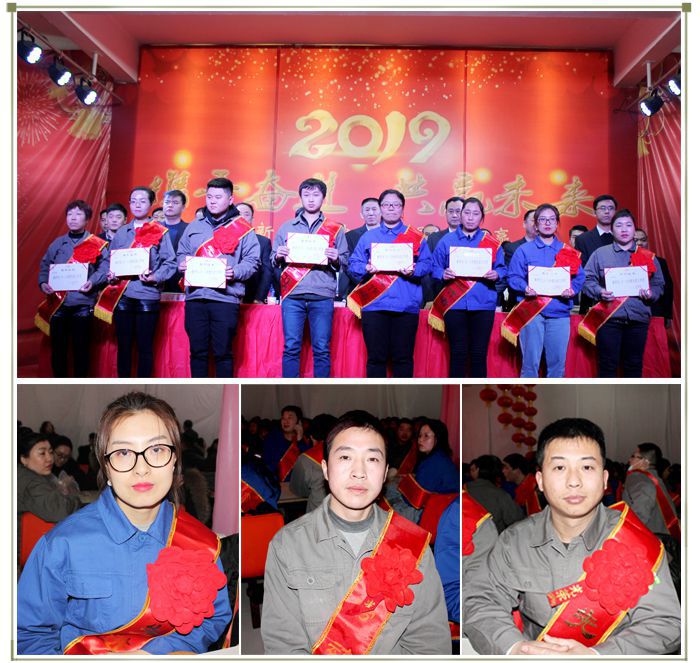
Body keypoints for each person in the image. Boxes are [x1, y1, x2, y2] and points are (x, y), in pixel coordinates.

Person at [17, 392, 232, 654]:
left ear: (175, 459)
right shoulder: (62, 544)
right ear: (106, 465)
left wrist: (163, 652)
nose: (141, 468)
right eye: (123, 452)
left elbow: (212, 617)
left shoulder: (199, 542)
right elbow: (29, 636)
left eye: (157, 449)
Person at [463, 418, 681, 655]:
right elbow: (481, 601)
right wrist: (515, 648)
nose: (574, 481)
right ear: (540, 481)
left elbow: (666, 623)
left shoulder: (634, 541)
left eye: (586, 467)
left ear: (604, 479)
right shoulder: (514, 541)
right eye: (559, 468)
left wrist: (598, 655)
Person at [261, 412, 451, 654]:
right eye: (345, 457)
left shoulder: (413, 545)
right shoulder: (288, 545)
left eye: (372, 459)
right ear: (325, 469)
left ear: (385, 473)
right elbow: (283, 646)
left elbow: (429, 644)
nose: (359, 471)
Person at [177, 177, 261, 377]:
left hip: (225, 299)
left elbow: (253, 261)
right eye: (209, 197)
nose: (212, 201)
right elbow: (182, 252)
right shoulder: (194, 226)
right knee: (197, 352)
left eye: (218, 197)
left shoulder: (243, 229)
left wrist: (235, 272)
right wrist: (182, 263)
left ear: (230, 199)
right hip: (196, 298)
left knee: (223, 353)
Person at [347, 189, 432, 378]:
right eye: (386, 205)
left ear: (402, 209)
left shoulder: (416, 237)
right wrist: (366, 267)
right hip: (375, 305)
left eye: (396, 205)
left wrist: (414, 270)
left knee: (403, 359)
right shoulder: (369, 237)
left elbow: (428, 264)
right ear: (380, 208)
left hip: (406, 305)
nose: (391, 208)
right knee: (375, 359)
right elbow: (354, 264)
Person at [96, 187, 176, 377]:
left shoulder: (160, 231)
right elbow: (111, 261)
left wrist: (155, 276)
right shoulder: (121, 232)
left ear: (151, 204)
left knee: (145, 347)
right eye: (133, 201)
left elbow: (170, 262)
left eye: (142, 201)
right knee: (123, 346)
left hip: (147, 295)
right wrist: (111, 275)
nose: (137, 205)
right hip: (122, 296)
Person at [272, 178, 348, 377]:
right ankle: (290, 387)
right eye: (306, 195)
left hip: (322, 294)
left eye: (316, 195)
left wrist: (336, 258)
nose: (311, 199)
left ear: (323, 198)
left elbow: (345, 261)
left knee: (322, 347)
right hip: (293, 293)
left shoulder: (335, 228)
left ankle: (320, 388)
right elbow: (272, 259)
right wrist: (278, 255)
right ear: (300, 198)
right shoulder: (287, 227)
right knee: (291, 346)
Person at [581, 209, 664, 377]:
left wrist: (651, 293)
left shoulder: (648, 256)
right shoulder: (600, 254)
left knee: (634, 366)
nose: (624, 229)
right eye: (619, 225)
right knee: (607, 365)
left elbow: (659, 284)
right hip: (609, 319)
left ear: (634, 229)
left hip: (638, 319)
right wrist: (600, 291)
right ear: (612, 230)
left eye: (628, 225)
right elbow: (587, 279)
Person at [503, 203, 584, 377]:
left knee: (557, 366)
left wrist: (572, 290)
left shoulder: (568, 251)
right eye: (542, 219)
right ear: (536, 224)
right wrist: (524, 287)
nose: (547, 223)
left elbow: (579, 277)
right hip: (532, 313)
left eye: (552, 219)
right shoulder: (524, 250)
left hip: (559, 312)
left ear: (557, 223)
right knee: (530, 365)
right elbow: (513, 276)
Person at [429, 197, 506, 378]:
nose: (471, 218)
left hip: (483, 304)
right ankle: (456, 390)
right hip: (455, 304)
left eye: (475, 214)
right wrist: (442, 273)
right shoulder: (446, 241)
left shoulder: (491, 242)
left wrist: (497, 274)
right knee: (458, 352)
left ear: (482, 217)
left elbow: (503, 268)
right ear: (461, 215)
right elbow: (434, 267)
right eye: (467, 213)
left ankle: (478, 391)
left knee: (479, 354)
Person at [36, 199, 108, 377]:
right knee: (58, 350)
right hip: (58, 305)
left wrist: (92, 281)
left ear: (87, 219)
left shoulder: (96, 243)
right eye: (70, 214)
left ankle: (80, 383)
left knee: (81, 349)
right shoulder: (58, 243)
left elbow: (105, 267)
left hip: (83, 304)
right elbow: (45, 265)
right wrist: (43, 283)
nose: (73, 218)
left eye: (78, 214)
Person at [386, 419, 460, 523]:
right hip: (446, 510)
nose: (420, 440)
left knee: (389, 491)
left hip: (429, 515)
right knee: (395, 483)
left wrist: (405, 485)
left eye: (426, 436)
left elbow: (414, 500)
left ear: (438, 438)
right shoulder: (441, 457)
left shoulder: (433, 461)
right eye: (420, 436)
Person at [18, 433, 81, 531]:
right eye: (42, 453)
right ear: (24, 459)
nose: (50, 459)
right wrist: (74, 498)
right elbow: (60, 510)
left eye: (51, 452)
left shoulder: (34, 475)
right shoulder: (31, 482)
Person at [575, 195, 616, 314]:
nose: (607, 211)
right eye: (602, 208)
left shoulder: (624, 238)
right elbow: (581, 271)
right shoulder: (583, 239)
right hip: (592, 300)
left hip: (620, 300)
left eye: (611, 208)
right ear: (594, 212)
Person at [289, 413, 338, 513]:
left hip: (318, 516)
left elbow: (298, 490)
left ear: (311, 437)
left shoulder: (306, 459)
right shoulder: (349, 453)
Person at [423, 196, 465, 303]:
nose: (454, 215)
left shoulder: (473, 238)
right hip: (440, 295)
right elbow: (427, 267)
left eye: (458, 211)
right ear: (446, 213)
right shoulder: (434, 238)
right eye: (450, 211)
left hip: (467, 295)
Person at [467, 455, 524, 532]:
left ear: (478, 470)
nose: (503, 471)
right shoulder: (500, 495)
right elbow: (518, 521)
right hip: (493, 538)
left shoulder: (463, 490)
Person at [338, 197, 381, 299]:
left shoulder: (391, 235)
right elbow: (347, 264)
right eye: (367, 210)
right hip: (358, 288)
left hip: (386, 288)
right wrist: (365, 285)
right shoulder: (350, 236)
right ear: (361, 214)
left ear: (381, 212)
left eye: (374, 209)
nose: (371, 213)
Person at [634, 228, 674, 326]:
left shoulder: (659, 262)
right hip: (632, 314)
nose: (640, 243)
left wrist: (667, 315)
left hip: (655, 312)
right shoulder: (624, 261)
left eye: (643, 240)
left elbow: (668, 289)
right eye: (635, 240)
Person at [236, 202, 274, 303]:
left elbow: (266, 272)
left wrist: (259, 298)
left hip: (252, 296)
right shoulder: (223, 240)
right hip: (228, 296)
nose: (242, 217)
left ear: (252, 219)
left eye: (246, 214)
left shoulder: (263, 242)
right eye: (238, 214)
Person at [500, 209, 537, 312]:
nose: (536, 224)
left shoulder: (553, 249)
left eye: (539, 220)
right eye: (533, 220)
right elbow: (505, 278)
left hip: (546, 304)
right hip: (518, 304)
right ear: (524, 224)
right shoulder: (512, 248)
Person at [262, 405, 309, 482]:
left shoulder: (304, 440)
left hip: (298, 484)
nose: (285, 421)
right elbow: (268, 465)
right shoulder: (273, 438)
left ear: (298, 422)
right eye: (283, 418)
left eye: (289, 418)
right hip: (276, 483)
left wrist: (300, 439)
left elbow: (308, 465)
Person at [159, 189, 190, 292]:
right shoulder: (153, 228)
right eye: (167, 202)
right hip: (156, 282)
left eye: (175, 202)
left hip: (180, 281)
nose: (170, 205)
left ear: (183, 207)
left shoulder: (190, 229)